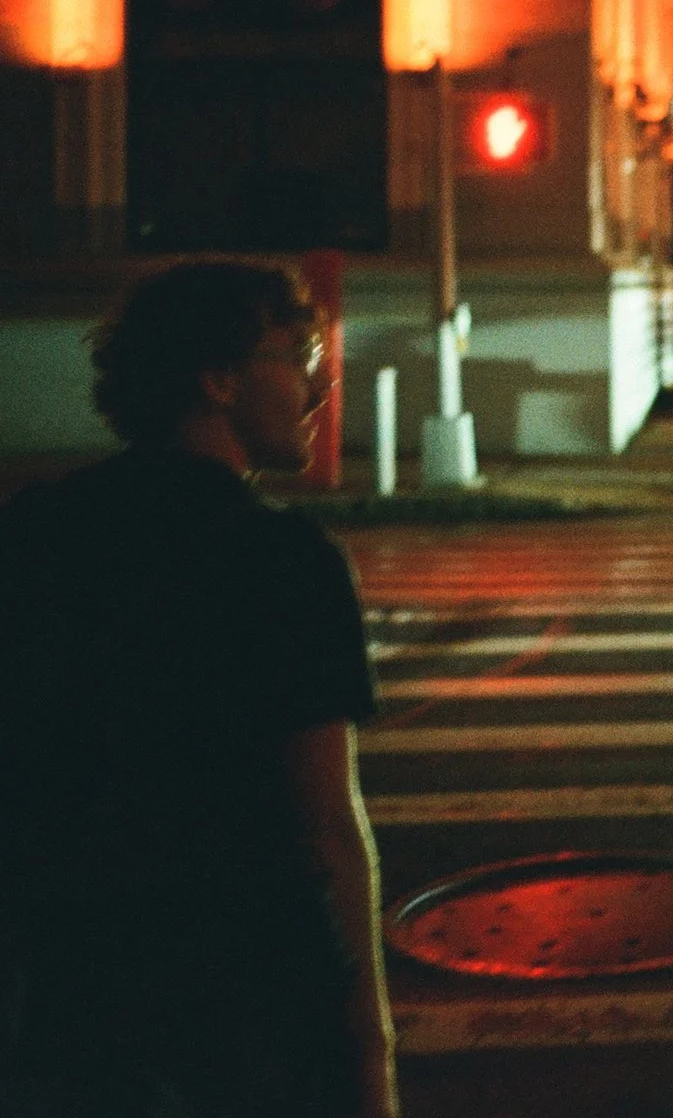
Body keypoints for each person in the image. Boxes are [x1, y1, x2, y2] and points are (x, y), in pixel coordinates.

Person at [0, 262, 395, 1118]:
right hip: (241, 992)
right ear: (218, 381)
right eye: (300, 358)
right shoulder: (284, 561)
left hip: (71, 983)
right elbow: (326, 830)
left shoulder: (37, 529)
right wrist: (371, 1054)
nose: (319, 387)